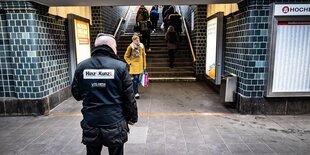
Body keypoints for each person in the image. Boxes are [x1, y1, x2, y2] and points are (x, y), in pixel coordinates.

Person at [71, 33, 138, 155]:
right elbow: (129, 97)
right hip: (115, 122)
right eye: (116, 47)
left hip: (91, 122)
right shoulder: (120, 67)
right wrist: (132, 117)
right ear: (111, 47)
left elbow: (76, 94)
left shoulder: (82, 66)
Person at [124, 33, 147, 99]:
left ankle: (134, 88)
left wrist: (144, 65)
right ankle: (135, 92)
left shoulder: (142, 46)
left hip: (140, 65)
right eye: (135, 39)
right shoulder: (131, 47)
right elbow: (126, 56)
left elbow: (143, 56)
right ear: (133, 40)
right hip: (134, 65)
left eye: (137, 39)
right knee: (135, 78)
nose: (137, 40)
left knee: (138, 79)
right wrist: (130, 62)